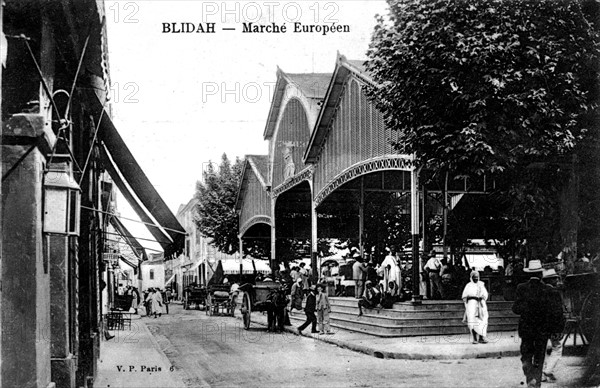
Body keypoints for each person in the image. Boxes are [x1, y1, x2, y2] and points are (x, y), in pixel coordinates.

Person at [512, 260, 564, 388]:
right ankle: (536, 383)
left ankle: (528, 371)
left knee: (526, 353)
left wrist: (527, 309)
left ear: (529, 274)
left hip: (526, 329)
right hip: (542, 330)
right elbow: (556, 312)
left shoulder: (521, 288)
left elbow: (515, 309)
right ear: (541, 274)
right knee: (539, 356)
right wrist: (556, 329)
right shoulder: (549, 290)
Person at [542, 268, 566, 384]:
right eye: (555, 278)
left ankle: (543, 371)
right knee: (557, 348)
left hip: (541, 326)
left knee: (542, 349)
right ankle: (548, 370)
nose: (557, 280)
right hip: (553, 326)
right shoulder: (555, 293)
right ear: (550, 280)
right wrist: (559, 328)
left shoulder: (540, 292)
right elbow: (557, 313)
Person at [461, 270, 489, 344]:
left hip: (481, 304)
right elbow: (464, 296)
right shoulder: (468, 285)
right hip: (472, 304)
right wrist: (468, 303)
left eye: (477, 277)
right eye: (474, 277)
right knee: (472, 320)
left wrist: (482, 297)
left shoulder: (481, 284)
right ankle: (474, 338)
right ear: (471, 278)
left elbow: (485, 294)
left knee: (482, 320)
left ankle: (481, 337)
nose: (475, 279)